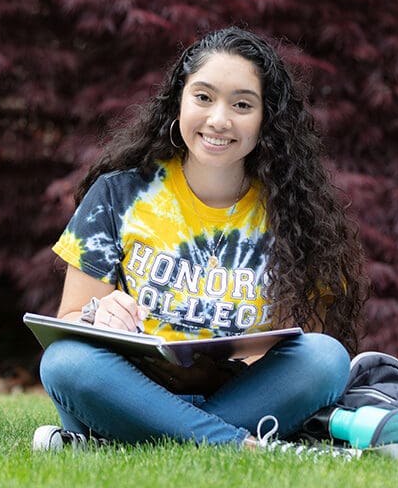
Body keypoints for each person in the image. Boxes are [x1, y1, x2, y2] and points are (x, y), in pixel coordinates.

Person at [33, 27, 368, 451]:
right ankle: (238, 446)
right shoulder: (118, 195)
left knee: (326, 357)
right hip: (128, 390)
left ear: (267, 119)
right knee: (65, 362)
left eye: (242, 104)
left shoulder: (298, 215)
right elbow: (69, 323)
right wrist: (96, 317)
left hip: (236, 395)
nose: (219, 120)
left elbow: (301, 345)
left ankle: (131, 443)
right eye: (204, 97)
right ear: (179, 102)